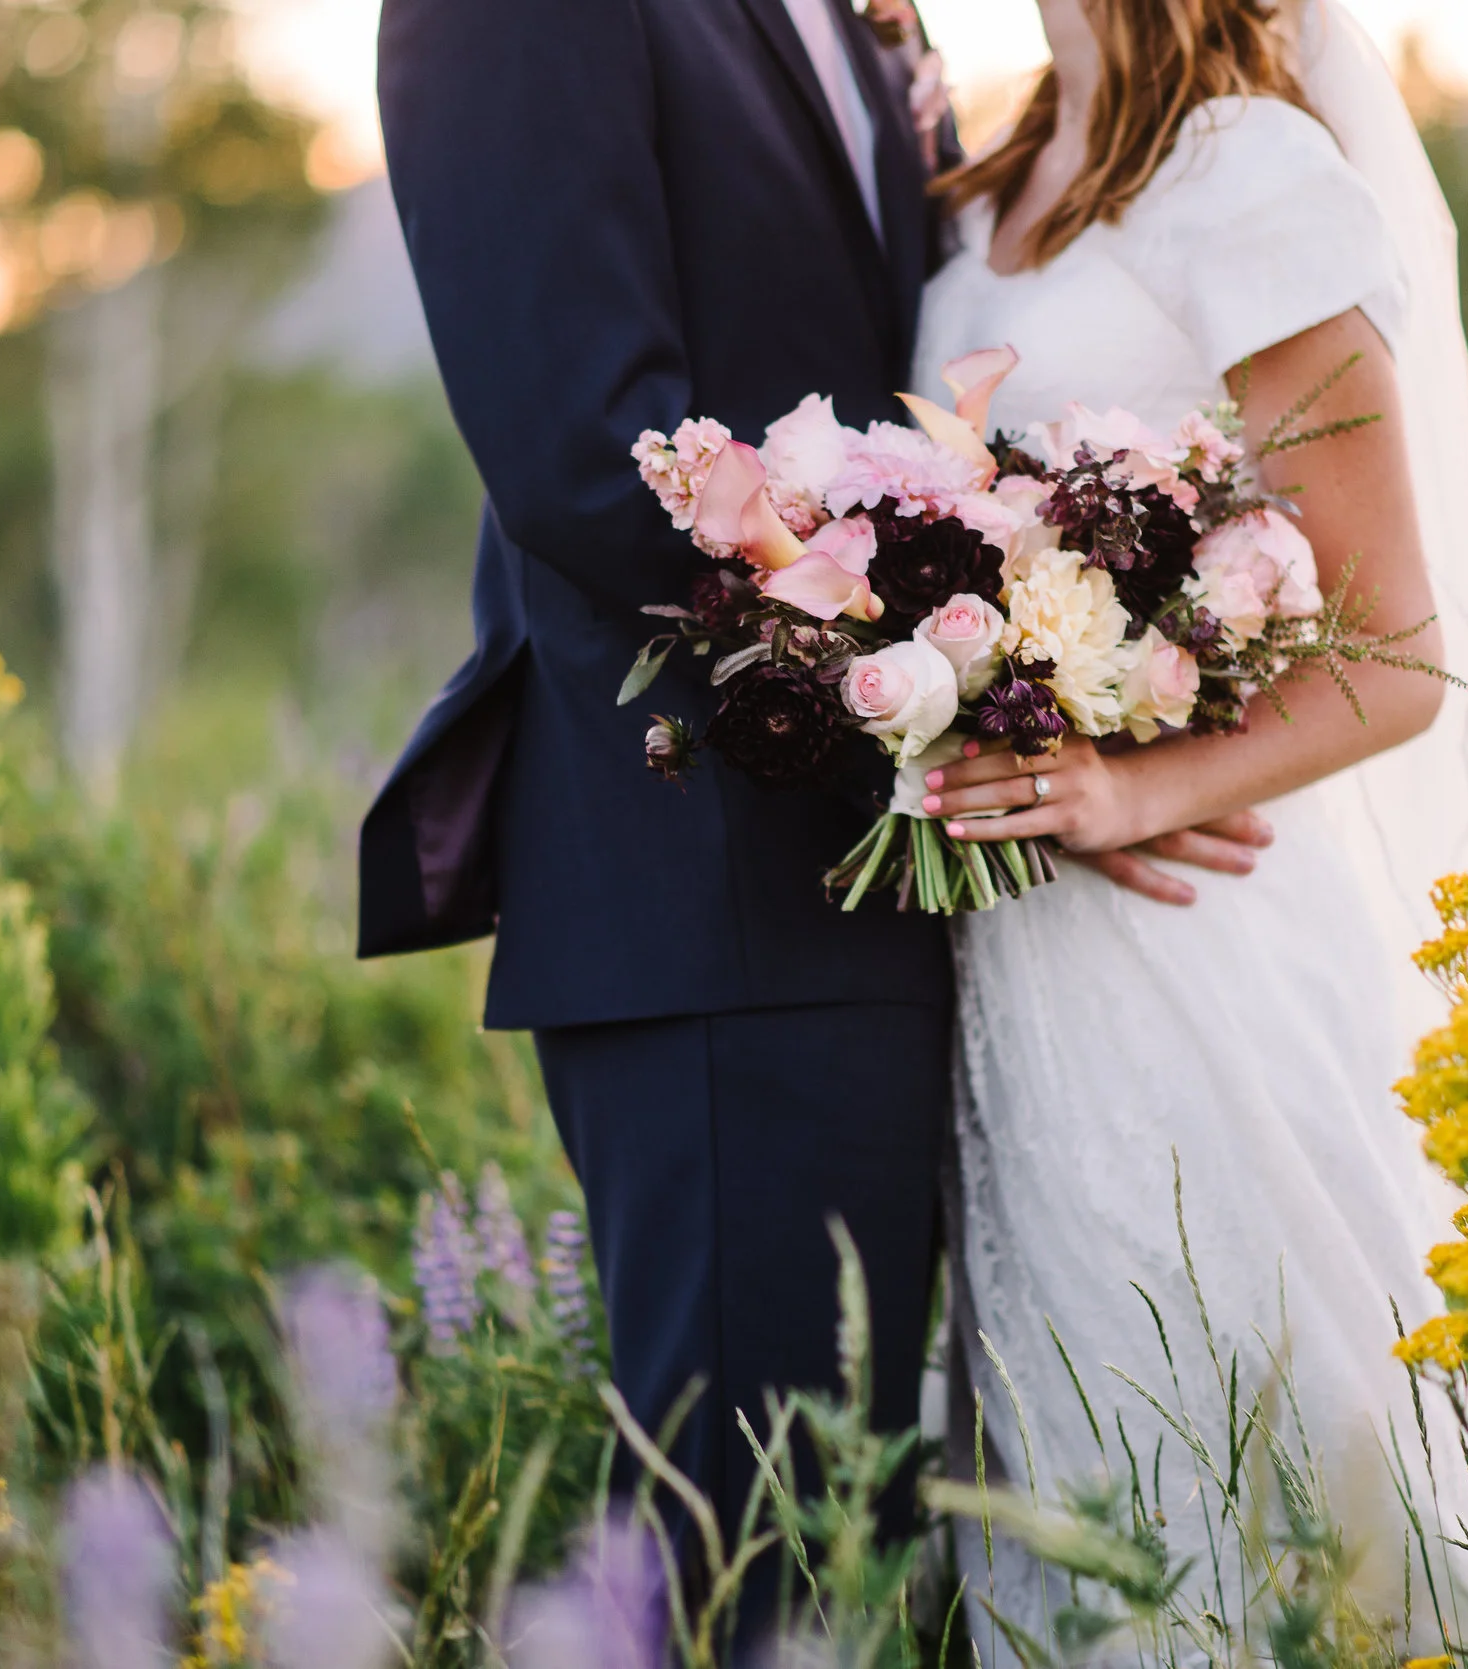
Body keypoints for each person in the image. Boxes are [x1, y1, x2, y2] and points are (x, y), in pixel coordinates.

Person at [360, 0, 1275, 1634]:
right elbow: (595, 455)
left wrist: (1084, 730)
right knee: (759, 1552)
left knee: (886, 1544)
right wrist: (971, 710)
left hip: (932, 901)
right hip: (717, 884)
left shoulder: (868, 21)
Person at [907, 0, 1468, 1651]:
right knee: (1068, 1449)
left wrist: (1132, 787)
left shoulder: (1248, 171)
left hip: (1207, 927)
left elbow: (1397, 652)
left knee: (1269, 1453)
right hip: (1019, 948)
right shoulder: (995, 176)